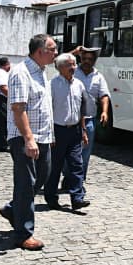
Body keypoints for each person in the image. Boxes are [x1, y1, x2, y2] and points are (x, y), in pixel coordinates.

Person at [0, 34, 57, 251]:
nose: (56, 53)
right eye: (52, 49)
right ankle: (23, 233)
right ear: (40, 51)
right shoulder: (21, 73)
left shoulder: (42, 72)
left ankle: (13, 209)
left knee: (42, 176)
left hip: (42, 136)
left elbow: (43, 107)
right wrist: (29, 139)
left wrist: (48, 136)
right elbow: (18, 109)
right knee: (25, 184)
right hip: (25, 137)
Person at [44, 53, 91, 211]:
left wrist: (83, 130)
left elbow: (82, 109)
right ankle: (51, 198)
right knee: (55, 167)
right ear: (60, 67)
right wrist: (49, 133)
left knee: (77, 165)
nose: (74, 67)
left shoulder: (79, 84)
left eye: (74, 64)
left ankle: (77, 198)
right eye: (70, 65)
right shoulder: (52, 85)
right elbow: (48, 111)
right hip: (58, 130)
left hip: (75, 130)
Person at [69, 46, 110, 200]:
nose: (86, 61)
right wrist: (74, 51)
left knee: (85, 154)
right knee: (69, 154)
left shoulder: (98, 76)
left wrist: (105, 111)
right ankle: (70, 177)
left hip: (89, 120)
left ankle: (78, 182)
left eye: (90, 59)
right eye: (84, 58)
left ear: (94, 61)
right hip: (72, 120)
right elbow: (57, 61)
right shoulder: (72, 71)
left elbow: (104, 95)